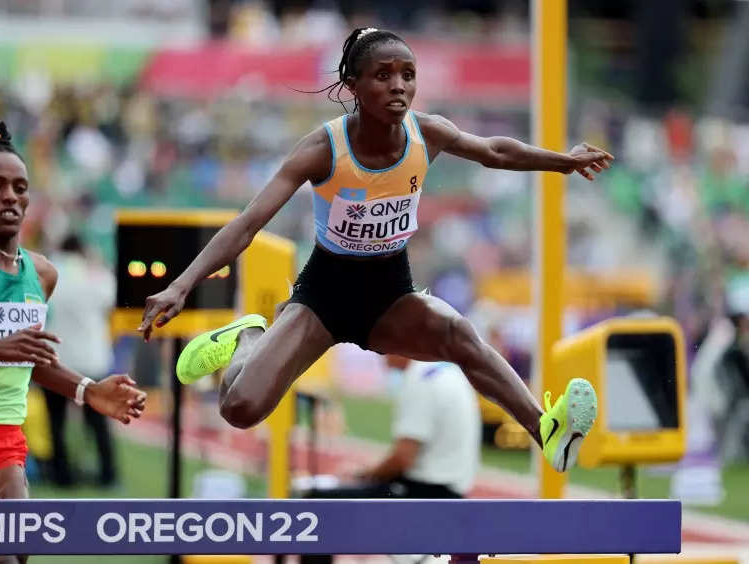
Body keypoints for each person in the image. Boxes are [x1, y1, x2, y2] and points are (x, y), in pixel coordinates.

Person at [139, 27, 609, 473]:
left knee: (460, 336)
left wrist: (563, 161)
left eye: (408, 74)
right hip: (323, 297)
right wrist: (181, 286)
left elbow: (495, 151)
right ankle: (248, 337)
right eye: (383, 75)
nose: (399, 85)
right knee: (239, 409)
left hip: (390, 294)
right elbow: (246, 225)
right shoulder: (324, 148)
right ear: (354, 85)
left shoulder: (429, 133)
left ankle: (545, 429)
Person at [0, 117, 146, 564]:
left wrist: (87, 389)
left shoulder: (42, 274)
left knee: (10, 556)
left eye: (19, 187)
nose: (10, 197)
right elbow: (4, 350)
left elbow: (29, 358)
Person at [299, 355, 480, 564]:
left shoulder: (420, 380)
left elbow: (403, 458)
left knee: (317, 505)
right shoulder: (448, 372)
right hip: (450, 493)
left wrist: (365, 475)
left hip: (422, 496)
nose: (377, 352)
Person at [43, 233, 119, 487]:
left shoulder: (46, 271)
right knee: (98, 421)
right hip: (91, 359)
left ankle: (61, 474)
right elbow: (112, 300)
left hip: (56, 359)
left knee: (57, 421)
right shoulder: (93, 273)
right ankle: (108, 474)